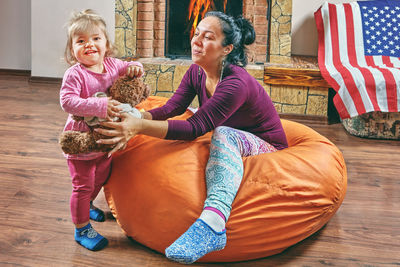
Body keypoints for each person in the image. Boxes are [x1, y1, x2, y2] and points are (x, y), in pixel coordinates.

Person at [96, 11, 288, 263]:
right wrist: (136, 116)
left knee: (221, 132)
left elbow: (195, 128)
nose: (196, 40)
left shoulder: (236, 83)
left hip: (264, 143)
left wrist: (138, 127)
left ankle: (214, 223)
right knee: (196, 117)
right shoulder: (197, 72)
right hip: (231, 130)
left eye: (207, 37)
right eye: (196, 33)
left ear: (227, 48)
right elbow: (171, 108)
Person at [59, 9, 144, 251]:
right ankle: (81, 227)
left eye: (96, 38)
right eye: (81, 41)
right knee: (83, 185)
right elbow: (67, 101)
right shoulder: (75, 74)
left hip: (107, 139)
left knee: (101, 177)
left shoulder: (112, 65)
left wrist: (136, 67)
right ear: (72, 50)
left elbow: (130, 67)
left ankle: (88, 204)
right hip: (82, 141)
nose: (90, 45)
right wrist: (100, 105)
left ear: (106, 44)